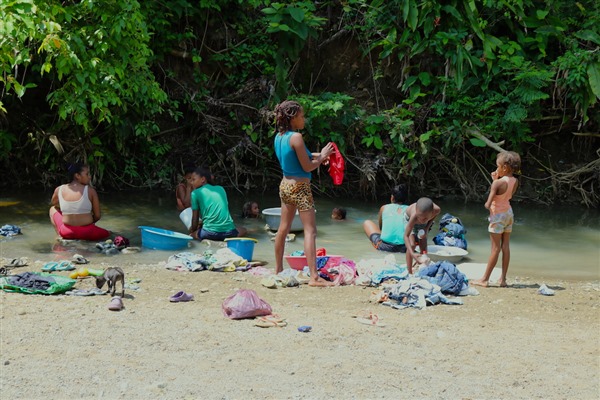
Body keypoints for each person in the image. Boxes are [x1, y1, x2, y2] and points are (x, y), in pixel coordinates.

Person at [273, 100, 334, 287]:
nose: (304, 119)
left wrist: (320, 156)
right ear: (292, 118)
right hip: (300, 188)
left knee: (283, 229)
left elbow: (301, 157)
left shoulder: (279, 137)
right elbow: (307, 166)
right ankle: (314, 277)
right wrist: (322, 157)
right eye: (301, 116)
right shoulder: (296, 138)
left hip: (285, 185)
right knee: (310, 231)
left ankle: (278, 270)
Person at [472, 151, 521, 288]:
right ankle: (503, 279)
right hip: (508, 214)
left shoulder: (497, 183)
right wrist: (496, 180)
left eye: (497, 166)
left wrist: (494, 182)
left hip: (498, 216)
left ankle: (484, 279)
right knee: (505, 246)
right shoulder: (515, 181)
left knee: (495, 248)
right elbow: (506, 196)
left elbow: (488, 204)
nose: (496, 169)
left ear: (504, 167)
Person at [49, 163, 110, 241]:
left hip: (67, 232)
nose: (90, 177)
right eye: (87, 174)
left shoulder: (59, 189)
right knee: (109, 234)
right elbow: (97, 216)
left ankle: (59, 235)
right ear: (77, 176)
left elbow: (54, 203)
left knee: (52, 209)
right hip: (88, 232)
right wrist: (89, 222)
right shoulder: (91, 191)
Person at [189, 167, 247, 241]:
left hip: (209, 233)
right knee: (244, 230)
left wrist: (193, 231)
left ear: (203, 179)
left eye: (193, 179)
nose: (191, 182)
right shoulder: (221, 189)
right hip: (229, 233)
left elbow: (195, 219)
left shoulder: (195, 193)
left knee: (192, 235)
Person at [362, 184, 408, 253]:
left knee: (367, 223)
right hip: (406, 248)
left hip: (385, 247)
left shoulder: (384, 208)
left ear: (392, 197)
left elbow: (381, 229)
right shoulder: (411, 209)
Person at [404, 197, 441, 274]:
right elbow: (406, 236)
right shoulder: (414, 216)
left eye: (424, 218)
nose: (421, 220)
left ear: (432, 212)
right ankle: (409, 271)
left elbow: (433, 217)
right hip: (410, 219)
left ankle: (423, 266)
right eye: (419, 217)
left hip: (425, 224)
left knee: (423, 243)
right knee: (412, 244)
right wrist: (412, 253)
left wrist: (426, 228)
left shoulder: (437, 210)